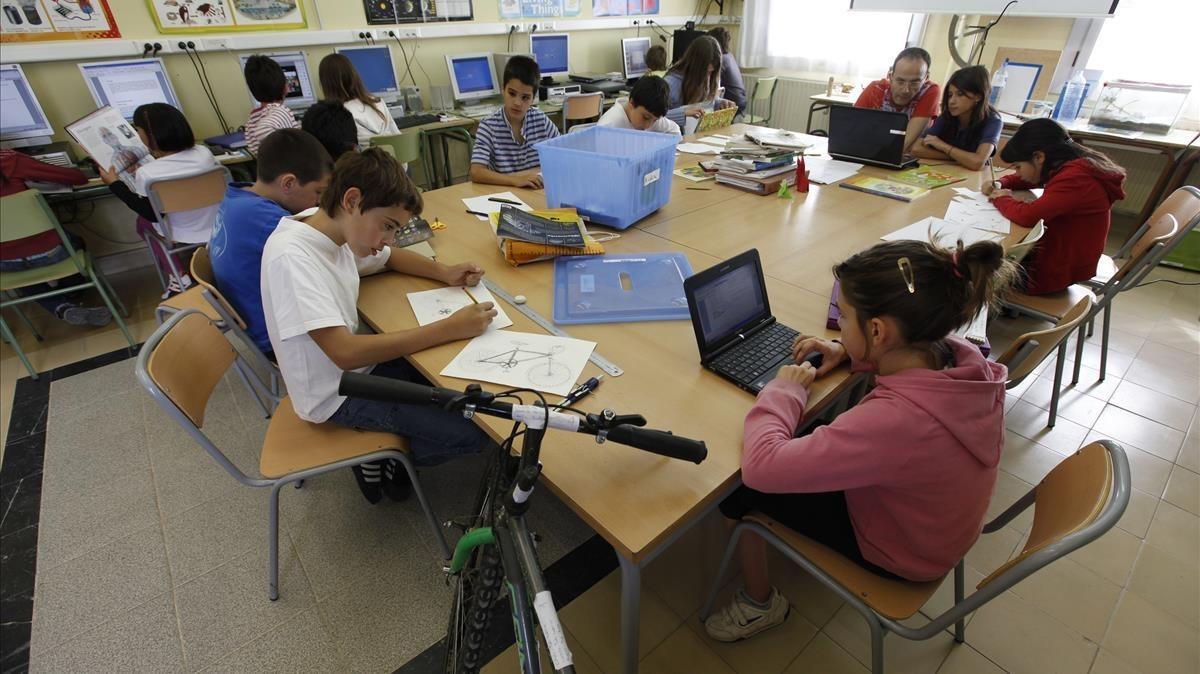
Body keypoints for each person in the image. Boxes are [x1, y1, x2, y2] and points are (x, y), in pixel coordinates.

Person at [703, 239, 1015, 643]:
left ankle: (760, 604)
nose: (838, 322)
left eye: (843, 318)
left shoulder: (899, 420)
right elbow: (904, 361)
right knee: (812, 435)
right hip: (939, 527)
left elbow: (761, 468)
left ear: (878, 331)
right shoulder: (960, 357)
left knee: (739, 489)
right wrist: (848, 351)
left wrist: (784, 391)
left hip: (902, 552)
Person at [260, 148, 495, 503]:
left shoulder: (328, 223)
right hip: (335, 395)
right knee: (475, 432)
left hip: (361, 370)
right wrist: (448, 327)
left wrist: (444, 272)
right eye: (387, 226)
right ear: (352, 199)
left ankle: (389, 446)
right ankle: (389, 459)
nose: (388, 239)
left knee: (459, 382)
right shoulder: (294, 258)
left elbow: (391, 256)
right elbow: (344, 354)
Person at [209, 128, 333, 357]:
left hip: (258, 323)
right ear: (288, 183)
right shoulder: (269, 220)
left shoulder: (239, 197)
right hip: (279, 341)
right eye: (318, 191)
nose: (319, 200)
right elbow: (331, 251)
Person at [984, 118, 1127, 295]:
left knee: (982, 269)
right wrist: (1001, 182)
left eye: (1018, 166)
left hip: (1053, 271)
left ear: (1039, 157)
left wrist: (1001, 198)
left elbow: (1028, 216)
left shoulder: (1076, 179)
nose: (1017, 172)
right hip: (1066, 256)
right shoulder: (1073, 163)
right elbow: (1030, 177)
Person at [98, 103, 220, 295]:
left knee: (143, 222)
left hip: (182, 232)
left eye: (138, 129)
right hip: (216, 223)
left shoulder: (148, 173)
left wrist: (115, 184)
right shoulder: (204, 153)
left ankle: (178, 275)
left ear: (149, 135)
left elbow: (151, 214)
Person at [0, 150, 112, 326]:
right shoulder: (9, 160)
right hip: (51, 253)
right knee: (75, 241)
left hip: (4, 264)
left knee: (19, 270)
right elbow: (77, 177)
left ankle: (61, 307)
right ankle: (74, 292)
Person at [469, 55, 559, 189]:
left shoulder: (541, 120)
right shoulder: (488, 126)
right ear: (503, 90)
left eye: (525, 97)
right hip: (505, 193)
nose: (517, 103)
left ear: (533, 99)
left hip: (536, 192)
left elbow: (563, 154)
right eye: (512, 93)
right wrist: (515, 180)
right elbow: (476, 172)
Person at [913, 65, 1002, 171]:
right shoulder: (947, 116)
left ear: (978, 96)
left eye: (960, 94)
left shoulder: (993, 121)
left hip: (973, 178)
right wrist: (958, 157)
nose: (951, 101)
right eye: (950, 95)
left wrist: (943, 146)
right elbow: (916, 149)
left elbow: (977, 162)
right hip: (949, 171)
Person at [855, 47, 941, 153]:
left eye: (915, 83)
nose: (906, 90)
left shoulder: (930, 91)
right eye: (900, 81)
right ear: (890, 76)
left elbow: (903, 145)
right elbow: (850, 131)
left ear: (926, 78)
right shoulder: (875, 89)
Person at [318, 53, 401, 148]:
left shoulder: (339, 114)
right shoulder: (378, 102)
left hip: (366, 162)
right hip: (393, 161)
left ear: (326, 84)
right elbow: (398, 135)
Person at [663, 36, 736, 130]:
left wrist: (719, 103)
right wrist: (682, 113)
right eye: (705, 72)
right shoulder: (671, 84)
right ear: (694, 67)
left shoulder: (709, 78)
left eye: (711, 72)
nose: (707, 77)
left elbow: (704, 104)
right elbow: (654, 119)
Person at [243, 54, 300, 155]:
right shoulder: (280, 111)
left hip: (270, 169)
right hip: (290, 167)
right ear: (285, 87)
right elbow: (263, 130)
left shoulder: (252, 119)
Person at [597, 75, 681, 136]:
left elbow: (674, 131)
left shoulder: (651, 115)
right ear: (632, 103)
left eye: (655, 120)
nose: (648, 125)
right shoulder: (608, 125)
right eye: (645, 118)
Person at [708, 27, 746, 115]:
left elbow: (713, 86)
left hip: (732, 105)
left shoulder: (721, 60)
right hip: (740, 102)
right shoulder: (729, 56)